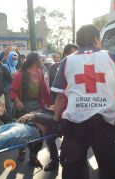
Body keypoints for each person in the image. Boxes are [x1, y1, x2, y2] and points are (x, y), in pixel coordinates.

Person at [51, 25, 115, 179]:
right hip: (104, 123)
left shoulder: (67, 60)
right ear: (97, 38)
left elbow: (60, 97)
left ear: (78, 41)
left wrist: (56, 120)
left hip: (75, 124)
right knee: (108, 167)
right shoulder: (112, 57)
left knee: (71, 169)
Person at [9, 52, 52, 161]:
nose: (42, 62)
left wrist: (50, 103)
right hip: (25, 107)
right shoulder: (21, 74)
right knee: (23, 132)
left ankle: (33, 154)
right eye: (40, 60)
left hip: (39, 106)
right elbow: (12, 91)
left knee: (39, 132)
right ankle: (22, 150)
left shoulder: (40, 72)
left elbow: (45, 90)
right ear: (35, 61)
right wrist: (17, 101)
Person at [45, 44, 79, 172]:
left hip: (74, 111)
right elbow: (52, 89)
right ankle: (54, 161)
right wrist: (53, 105)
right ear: (65, 54)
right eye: (73, 53)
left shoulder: (80, 66)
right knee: (50, 137)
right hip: (58, 109)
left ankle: (79, 174)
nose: (77, 56)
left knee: (74, 143)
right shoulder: (54, 67)